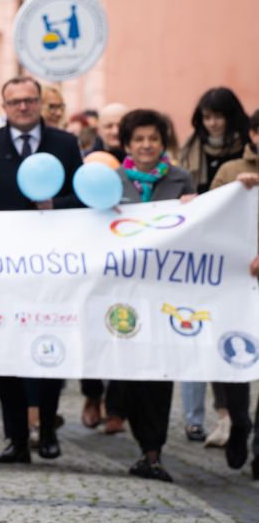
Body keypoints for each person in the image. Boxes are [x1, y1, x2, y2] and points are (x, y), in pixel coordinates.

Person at [0, 76, 83, 464]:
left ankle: (47, 431)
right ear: (4, 106)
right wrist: (1, 229)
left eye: (31, 100)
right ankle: (14, 437)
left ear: (40, 102)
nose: (24, 107)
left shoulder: (64, 144)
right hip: (2, 268)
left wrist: (55, 207)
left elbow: (82, 195)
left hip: (51, 266)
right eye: (16, 102)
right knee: (5, 351)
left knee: (49, 344)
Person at [108, 109, 196, 482]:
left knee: (159, 374)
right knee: (127, 376)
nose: (146, 146)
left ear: (163, 144)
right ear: (127, 144)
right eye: (139, 139)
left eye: (153, 139)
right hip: (120, 293)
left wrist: (195, 210)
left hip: (163, 293)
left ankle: (152, 451)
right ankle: (131, 423)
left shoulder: (180, 179)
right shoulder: (110, 182)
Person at [179, 87, 248, 448]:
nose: (213, 124)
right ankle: (222, 416)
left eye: (218, 116)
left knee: (232, 335)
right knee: (207, 333)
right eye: (207, 117)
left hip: (239, 250)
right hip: (204, 253)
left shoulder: (244, 154)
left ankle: (236, 415)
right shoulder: (191, 150)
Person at [208, 109, 259, 476]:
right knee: (236, 354)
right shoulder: (230, 170)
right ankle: (239, 421)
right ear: (253, 134)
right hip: (236, 283)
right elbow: (210, 221)